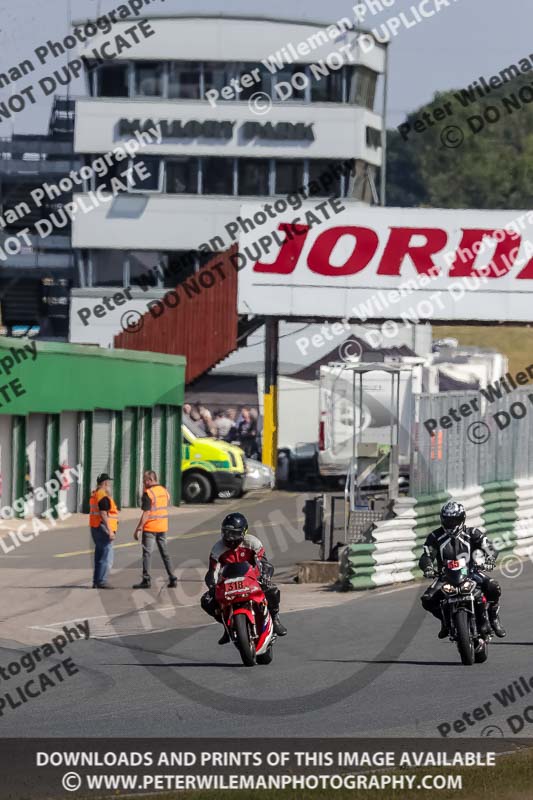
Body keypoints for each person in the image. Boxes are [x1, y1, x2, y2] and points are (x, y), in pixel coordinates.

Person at [419, 500, 506, 639]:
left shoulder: (473, 533)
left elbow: (490, 547)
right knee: (427, 599)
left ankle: (493, 618)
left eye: (455, 520)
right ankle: (445, 621)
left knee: (494, 587)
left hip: (471, 573)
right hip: (445, 576)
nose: (451, 524)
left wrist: (490, 560)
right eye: (447, 520)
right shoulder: (435, 537)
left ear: (462, 519)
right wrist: (428, 568)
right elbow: (426, 556)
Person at [200, 512, 287, 644]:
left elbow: (263, 562)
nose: (229, 537)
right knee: (206, 601)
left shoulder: (253, 543)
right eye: (226, 532)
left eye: (233, 533)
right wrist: (212, 586)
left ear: (243, 532)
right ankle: (226, 627)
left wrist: (265, 575)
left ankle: (275, 619)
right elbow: (212, 571)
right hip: (228, 582)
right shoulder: (217, 549)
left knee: (272, 590)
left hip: (252, 579)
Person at [132, 471, 177, 589]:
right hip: (162, 526)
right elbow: (166, 501)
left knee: (147, 553)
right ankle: (172, 577)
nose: (143, 483)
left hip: (150, 527)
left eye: (144, 481)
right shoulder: (164, 490)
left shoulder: (149, 493)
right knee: (165, 553)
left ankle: (146, 580)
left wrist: (139, 528)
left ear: (150, 480)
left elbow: (146, 512)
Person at [89, 473, 119, 589]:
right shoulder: (102, 495)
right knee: (106, 556)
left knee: (99, 555)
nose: (110, 485)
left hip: (95, 527)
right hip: (103, 528)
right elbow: (103, 513)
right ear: (106, 483)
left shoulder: (95, 494)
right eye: (109, 483)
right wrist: (110, 530)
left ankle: (96, 581)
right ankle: (102, 581)